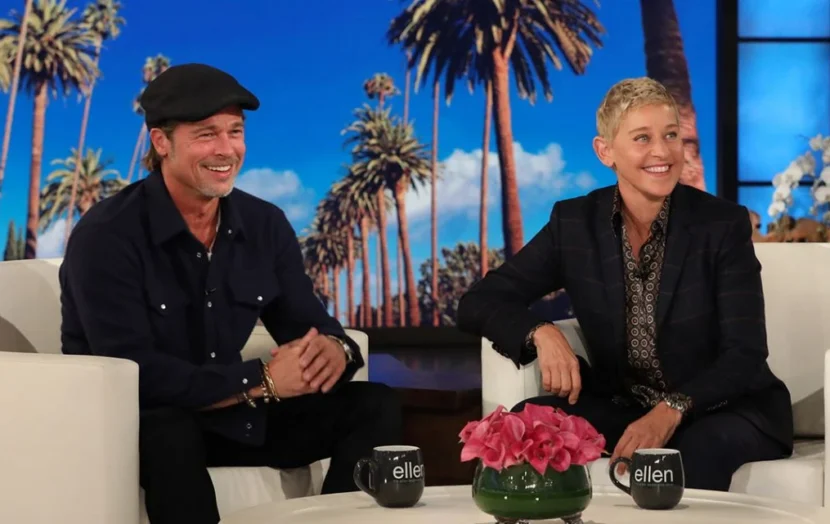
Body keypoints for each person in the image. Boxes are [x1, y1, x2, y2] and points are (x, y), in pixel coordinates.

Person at [59, 63, 402, 524]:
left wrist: (334, 351)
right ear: (161, 143)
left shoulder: (264, 224)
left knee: (374, 405)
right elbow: (132, 376)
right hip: (136, 423)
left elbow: (308, 323)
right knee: (168, 429)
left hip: (230, 412)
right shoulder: (107, 235)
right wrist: (262, 380)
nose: (226, 150)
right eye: (206, 135)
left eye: (235, 132)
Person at [456, 77, 793, 491]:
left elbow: (745, 353)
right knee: (530, 420)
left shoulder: (721, 224)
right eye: (642, 138)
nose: (662, 151)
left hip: (724, 410)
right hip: (627, 407)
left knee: (691, 454)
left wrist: (670, 410)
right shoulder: (574, 224)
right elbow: (479, 301)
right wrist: (540, 332)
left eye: (671, 135)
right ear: (606, 152)